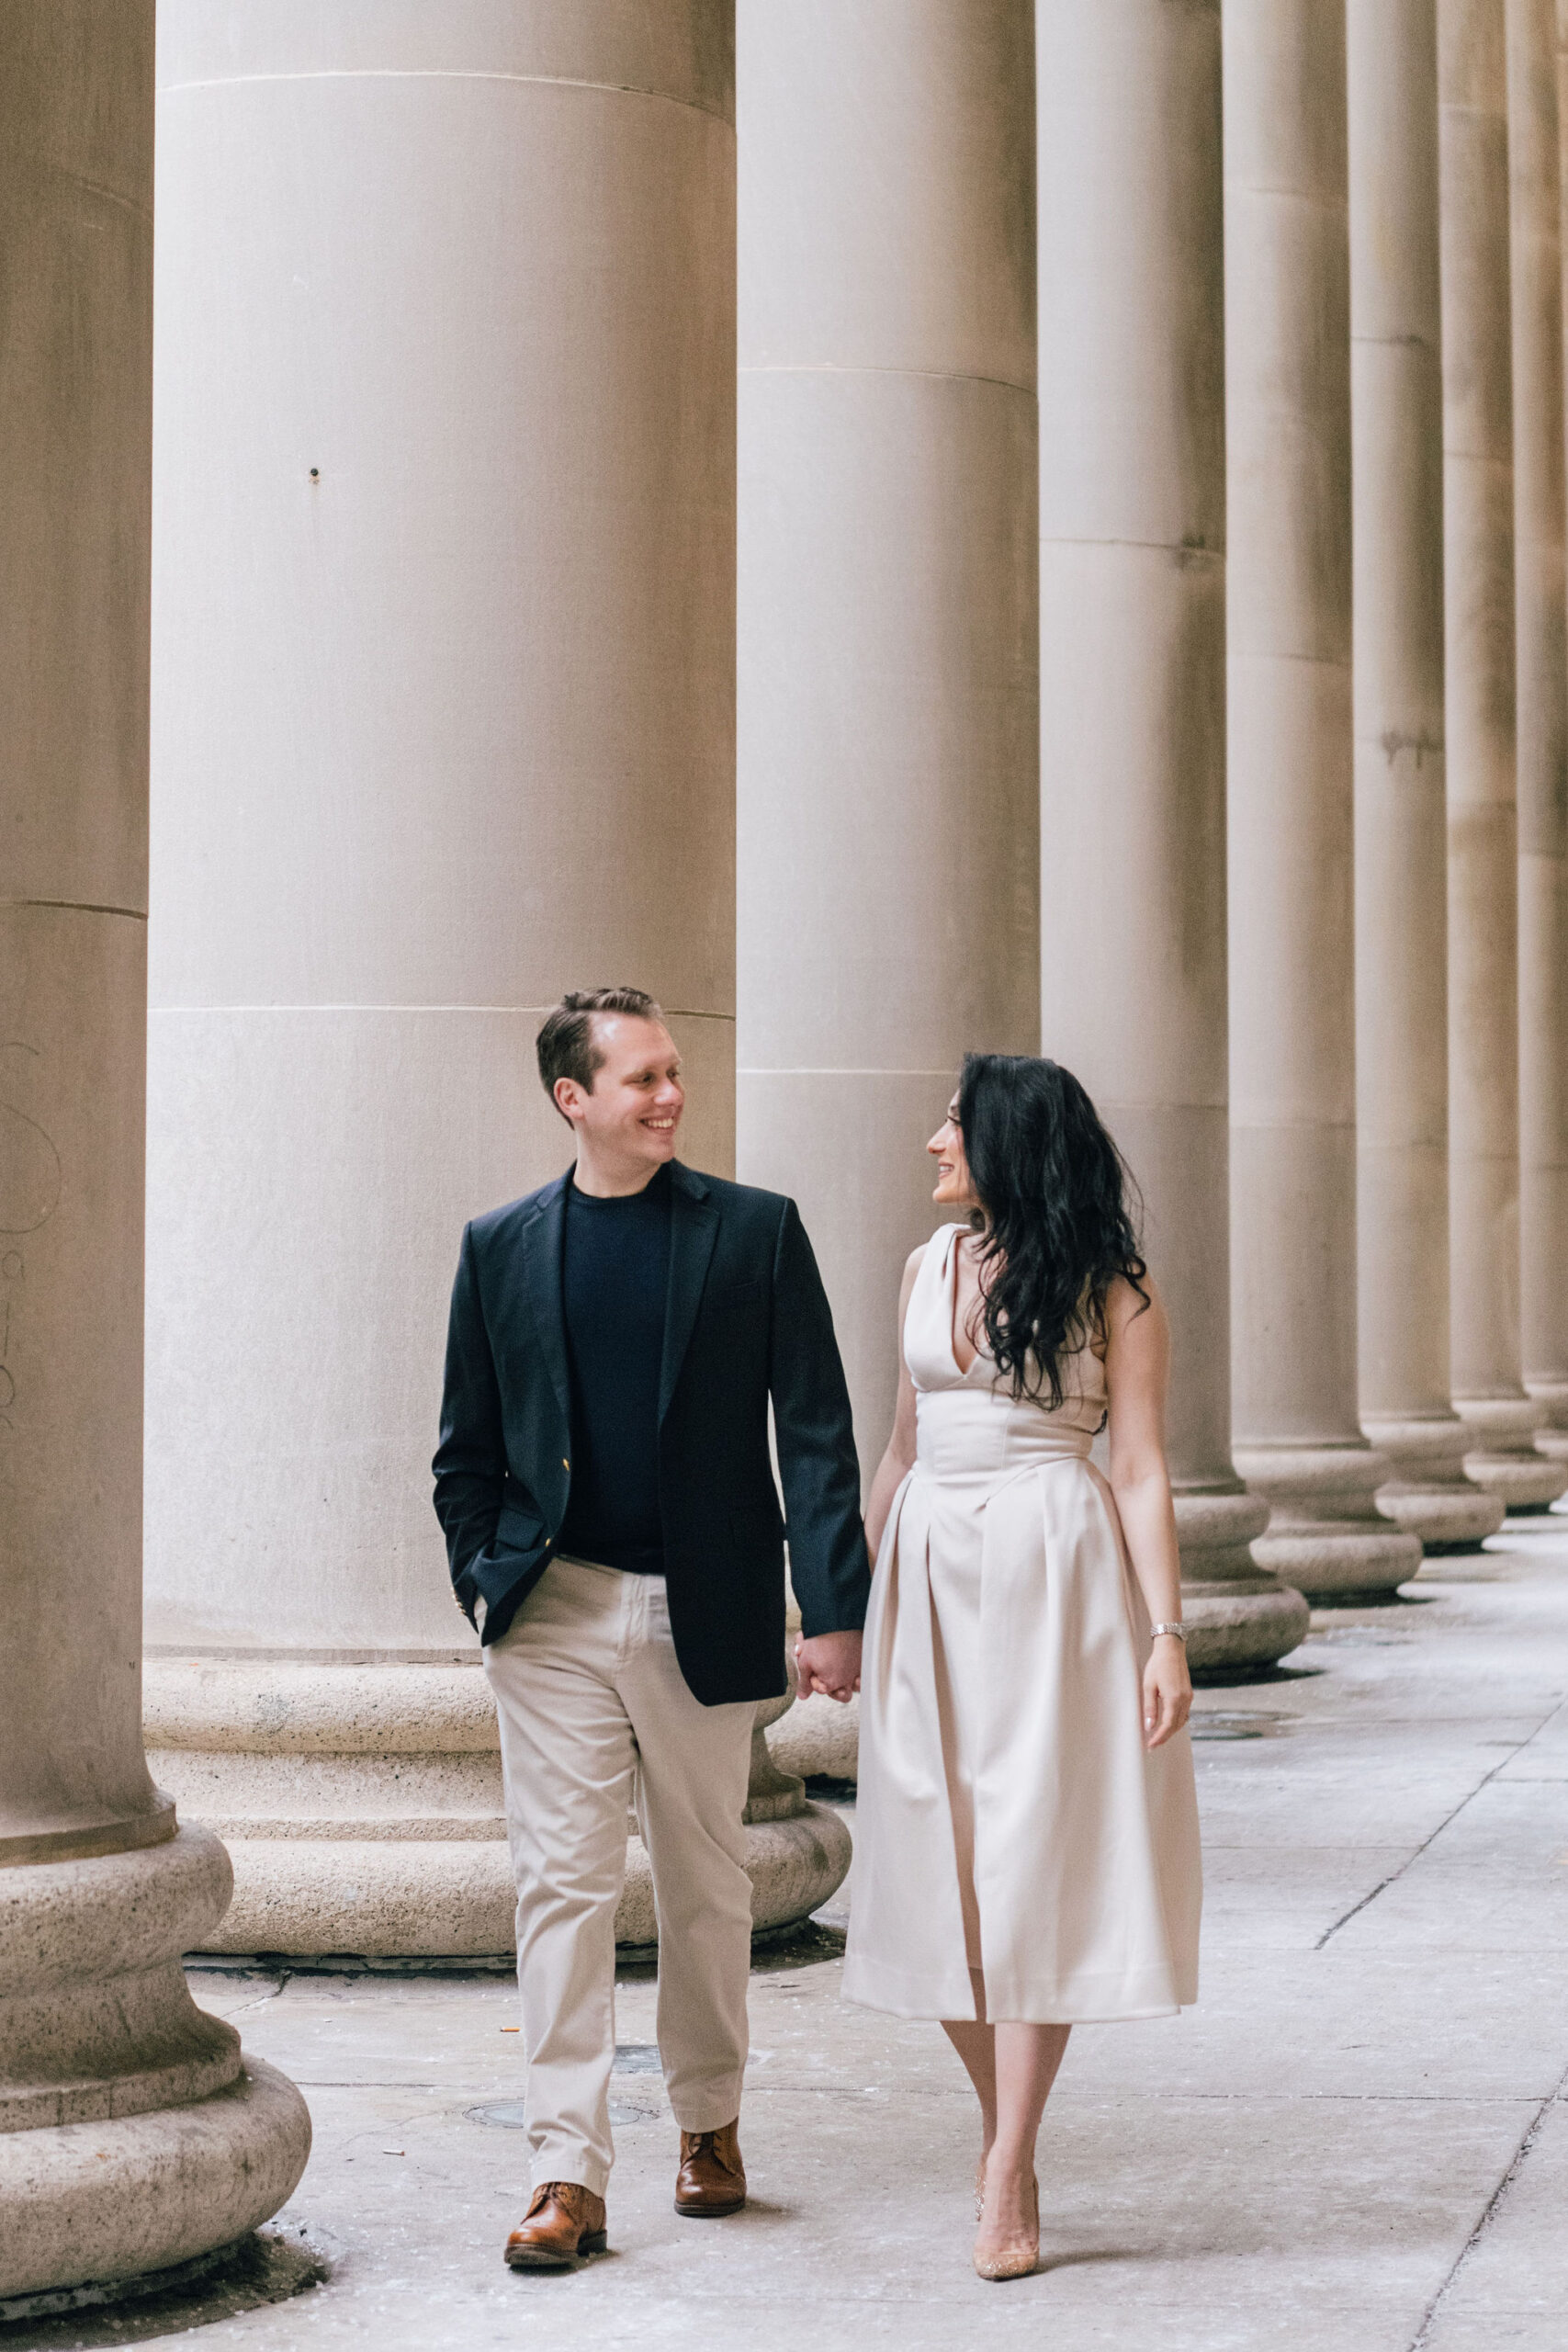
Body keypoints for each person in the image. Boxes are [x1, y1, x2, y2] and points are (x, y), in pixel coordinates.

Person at [433, 987, 866, 2272]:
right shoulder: (500, 1245)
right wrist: (484, 1579)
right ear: (574, 1099)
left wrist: (834, 1609)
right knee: (559, 1887)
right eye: (644, 1079)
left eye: (674, 1073)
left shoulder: (755, 1230)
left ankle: (708, 2122)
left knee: (704, 1880)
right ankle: (565, 2171)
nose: (672, 1096)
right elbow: (464, 1449)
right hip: (552, 1609)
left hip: (705, 1604)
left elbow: (818, 1432)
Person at [843, 1053, 1201, 2281]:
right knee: (929, 1861)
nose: (934, 1141)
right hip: (929, 1568)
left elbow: (1140, 1468)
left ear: (1007, 1142)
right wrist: (847, 1603)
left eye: (954, 1123)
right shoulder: (923, 1267)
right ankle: (1009, 2128)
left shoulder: (1116, 1293)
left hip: (1057, 1566)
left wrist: (1165, 1634)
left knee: (1034, 1857)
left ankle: (1006, 2165)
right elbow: (899, 1450)